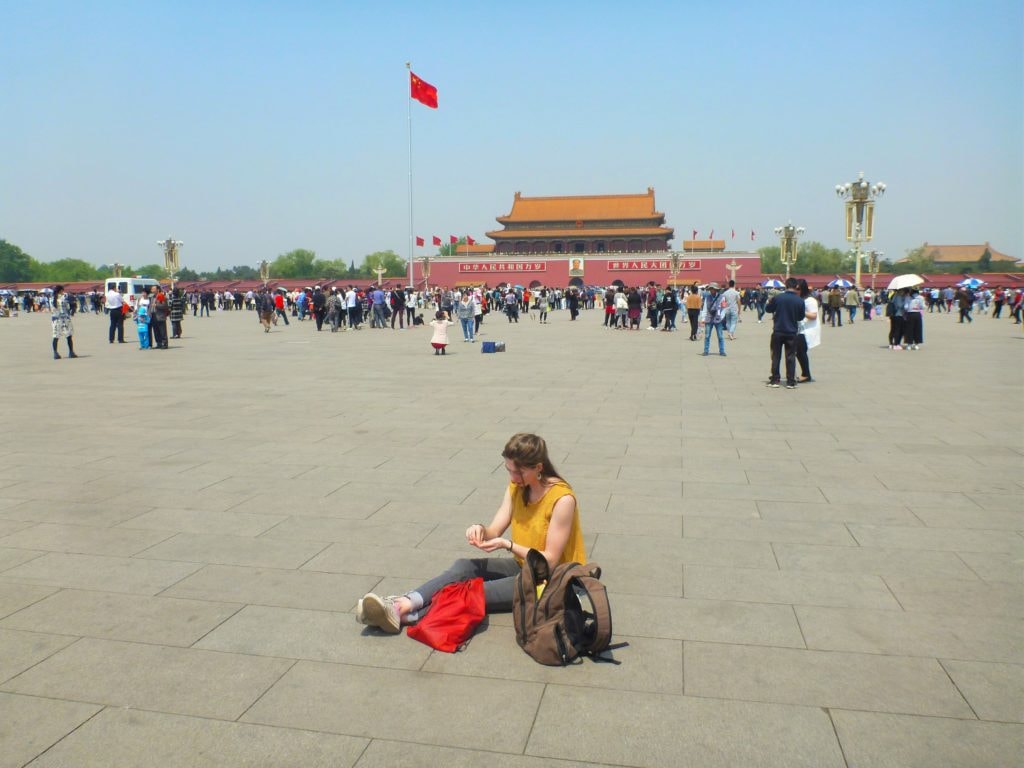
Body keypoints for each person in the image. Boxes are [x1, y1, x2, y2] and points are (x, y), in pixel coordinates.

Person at [357, 433, 585, 634]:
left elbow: (551, 559)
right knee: (464, 567)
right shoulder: (518, 487)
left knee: (471, 592)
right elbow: (494, 529)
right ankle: (405, 603)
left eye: (519, 472)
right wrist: (480, 530)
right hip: (524, 564)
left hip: (553, 578)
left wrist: (507, 545)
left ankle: (402, 612)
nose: (513, 478)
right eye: (509, 470)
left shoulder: (562, 499)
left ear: (538, 467)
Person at [765, 277, 805, 389]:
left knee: (776, 356)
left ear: (786, 285)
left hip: (778, 330)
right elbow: (801, 317)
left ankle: (775, 380)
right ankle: (791, 381)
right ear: (796, 286)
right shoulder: (799, 300)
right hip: (792, 332)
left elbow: (768, 309)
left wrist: (770, 302)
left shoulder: (778, 298)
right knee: (791, 356)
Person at [795, 279, 819, 383]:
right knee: (799, 352)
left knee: (801, 351)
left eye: (798, 289)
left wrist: (801, 311)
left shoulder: (810, 300)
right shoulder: (798, 299)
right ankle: (805, 373)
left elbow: (813, 315)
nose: (796, 291)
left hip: (807, 330)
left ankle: (806, 374)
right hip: (799, 328)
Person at [49, 285, 77, 359]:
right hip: (65, 319)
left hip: (55, 319)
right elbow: (69, 306)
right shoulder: (64, 297)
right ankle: (71, 352)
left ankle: (55, 353)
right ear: (61, 290)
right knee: (68, 335)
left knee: (56, 336)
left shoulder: (51, 299)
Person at [701, 283, 727, 356]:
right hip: (709, 318)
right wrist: (703, 318)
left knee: (720, 336)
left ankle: (722, 351)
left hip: (718, 319)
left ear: (716, 289)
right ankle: (706, 350)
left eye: (713, 289)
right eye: (711, 289)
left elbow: (724, 308)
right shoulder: (707, 297)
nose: (712, 290)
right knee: (707, 335)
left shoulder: (722, 297)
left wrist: (721, 317)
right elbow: (705, 308)